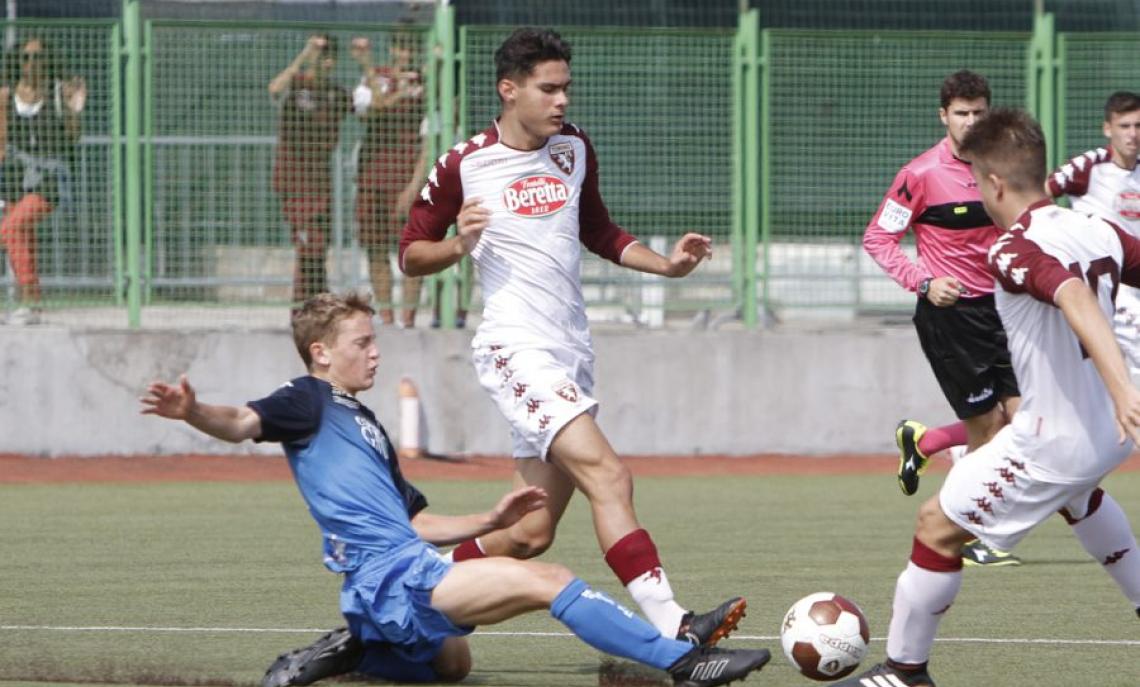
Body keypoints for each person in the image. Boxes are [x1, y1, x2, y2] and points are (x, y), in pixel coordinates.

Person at [139, 292, 771, 687]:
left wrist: (490, 517)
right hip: (390, 578)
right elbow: (241, 422)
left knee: (453, 665)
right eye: (362, 343)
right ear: (321, 352)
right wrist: (194, 412)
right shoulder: (305, 399)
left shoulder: (367, 425)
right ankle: (683, 663)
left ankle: (351, 651)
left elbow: (418, 525)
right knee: (549, 580)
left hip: (400, 569)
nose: (376, 354)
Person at [399, 27, 746, 643]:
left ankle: (416, 590)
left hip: (570, 351)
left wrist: (666, 265)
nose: (562, 101)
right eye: (548, 89)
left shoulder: (574, 147)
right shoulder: (464, 162)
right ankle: (675, 625)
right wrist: (458, 242)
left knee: (528, 533)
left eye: (567, 88)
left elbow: (599, 231)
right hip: (514, 348)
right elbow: (410, 255)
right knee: (609, 476)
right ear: (509, 90)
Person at [834, 108, 1140, 687]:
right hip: (1104, 433)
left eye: (976, 180)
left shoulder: (1012, 249)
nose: (976, 191)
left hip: (1055, 439)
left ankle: (904, 673)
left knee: (934, 526)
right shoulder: (1094, 226)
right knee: (1079, 499)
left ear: (994, 183)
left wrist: (1125, 386)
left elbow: (1072, 295)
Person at [863, 70, 1021, 566]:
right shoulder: (921, 175)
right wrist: (924, 283)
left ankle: (926, 442)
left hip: (1010, 313)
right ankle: (964, 532)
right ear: (944, 116)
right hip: (951, 318)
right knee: (987, 429)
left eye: (979, 113)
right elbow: (878, 239)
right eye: (961, 113)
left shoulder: (1006, 168)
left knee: (1026, 425)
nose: (971, 122)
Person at [1047, 91, 1140, 373]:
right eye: (1124, 126)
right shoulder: (1090, 165)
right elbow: (1038, 195)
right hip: (1107, 286)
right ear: (1107, 129)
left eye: (1138, 126)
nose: (1132, 134)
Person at [0, 36, 86, 326]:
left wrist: (75, 110)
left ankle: (29, 300)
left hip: (49, 173)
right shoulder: (5, 94)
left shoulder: (58, 92)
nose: (31, 63)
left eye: (38, 57)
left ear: (48, 60)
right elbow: (1, 143)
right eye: (26, 57)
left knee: (10, 227)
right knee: (20, 238)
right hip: (14, 172)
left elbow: (73, 137)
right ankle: (32, 303)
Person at [268, 34, 351, 308]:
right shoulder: (296, 85)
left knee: (318, 246)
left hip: (320, 182)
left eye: (328, 56)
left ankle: (318, 304)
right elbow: (275, 89)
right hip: (294, 180)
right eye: (320, 55)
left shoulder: (336, 93)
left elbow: (363, 108)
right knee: (308, 245)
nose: (323, 61)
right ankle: (304, 307)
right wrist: (305, 55)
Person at [351, 30, 426, 328]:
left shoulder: (427, 83)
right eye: (399, 47)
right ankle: (385, 317)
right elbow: (370, 109)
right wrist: (370, 67)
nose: (404, 55)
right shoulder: (375, 78)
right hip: (373, 176)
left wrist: (415, 185)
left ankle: (408, 320)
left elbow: (431, 135)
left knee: (413, 251)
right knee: (375, 248)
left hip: (406, 177)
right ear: (392, 49)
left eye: (409, 48)